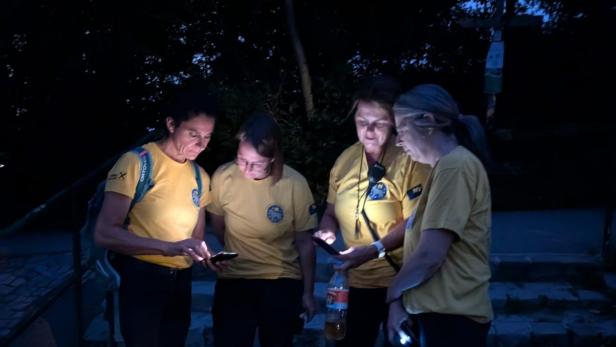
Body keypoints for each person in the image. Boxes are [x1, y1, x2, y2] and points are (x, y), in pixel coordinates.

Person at [94, 87, 218, 347]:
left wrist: (207, 258)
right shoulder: (136, 162)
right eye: (193, 134)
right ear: (171, 124)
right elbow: (104, 232)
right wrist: (168, 248)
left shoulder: (201, 176)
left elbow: (196, 237)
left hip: (181, 282)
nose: (201, 144)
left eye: (207, 136)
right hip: (141, 277)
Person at [314, 76, 430, 346]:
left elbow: (415, 222)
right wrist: (327, 231)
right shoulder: (345, 160)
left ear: (395, 122)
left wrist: (373, 249)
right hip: (353, 283)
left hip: (400, 283)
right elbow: (330, 212)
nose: (368, 131)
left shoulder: (411, 159)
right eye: (362, 122)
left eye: (378, 123)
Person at [386, 84, 493, 346]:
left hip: (452, 319)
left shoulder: (455, 166)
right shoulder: (446, 167)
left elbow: (429, 255)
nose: (398, 142)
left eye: (401, 130)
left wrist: (391, 294)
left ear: (428, 122)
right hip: (441, 314)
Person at [206, 112, 318, 347]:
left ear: (273, 158)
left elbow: (305, 243)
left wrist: (307, 293)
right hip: (234, 279)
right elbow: (219, 226)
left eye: (256, 164)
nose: (246, 169)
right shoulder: (223, 176)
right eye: (241, 159)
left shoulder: (294, 184)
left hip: (280, 280)